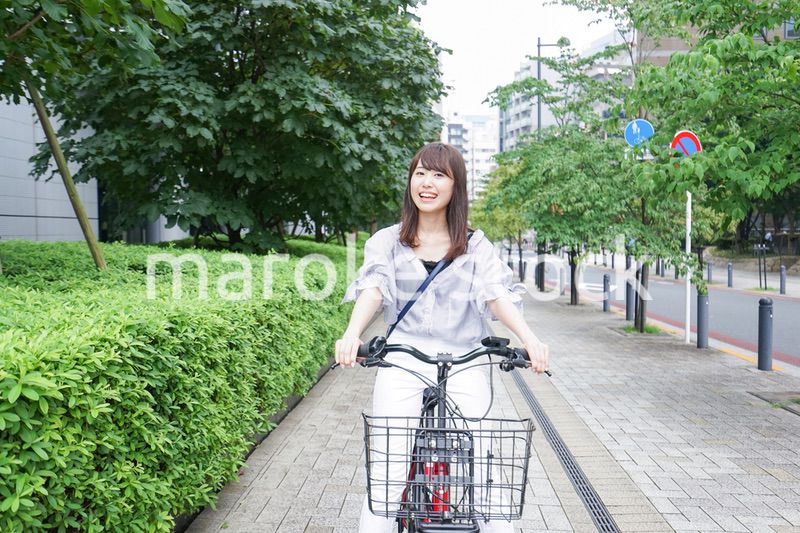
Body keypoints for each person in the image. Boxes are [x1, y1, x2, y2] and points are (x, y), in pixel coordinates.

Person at [336, 142, 549, 533]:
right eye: (420, 173)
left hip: (465, 357)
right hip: (403, 359)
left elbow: (495, 295)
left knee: (481, 469)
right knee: (389, 470)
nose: (427, 183)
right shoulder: (386, 241)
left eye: (439, 175)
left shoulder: (476, 244)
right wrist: (351, 334)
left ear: (456, 186)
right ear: (410, 181)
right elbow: (375, 288)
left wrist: (530, 339)